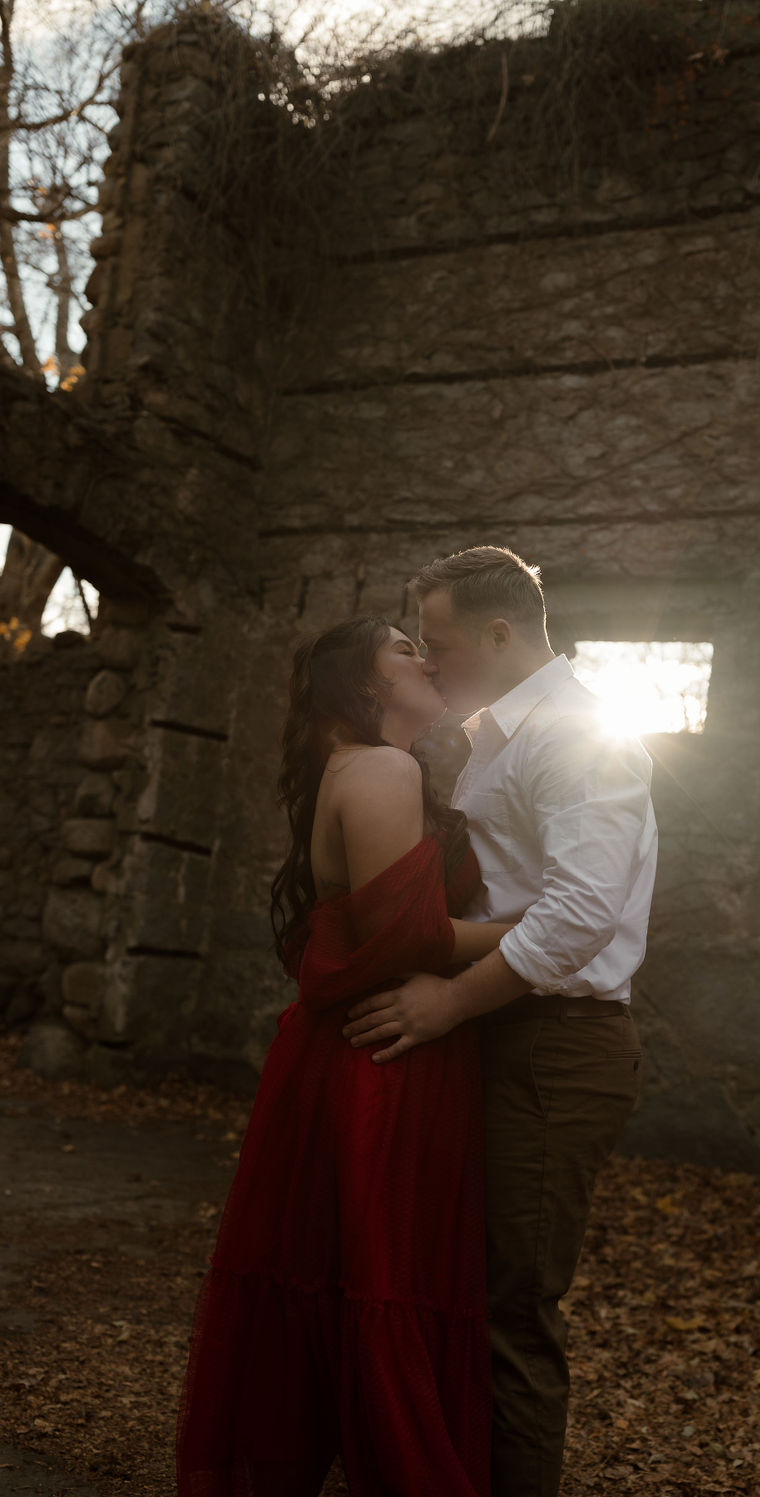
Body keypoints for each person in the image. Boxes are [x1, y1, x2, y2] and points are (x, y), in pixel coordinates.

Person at [176, 617, 516, 1497]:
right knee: (381, 1275)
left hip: (365, 1050)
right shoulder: (382, 767)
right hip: (386, 1056)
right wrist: (538, 931)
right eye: (405, 649)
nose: (427, 658)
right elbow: (406, 936)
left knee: (350, 1278)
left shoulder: (372, 767)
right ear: (361, 686)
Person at [343, 547, 657, 1497]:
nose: (430, 664)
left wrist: (446, 1000)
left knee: (510, 1315)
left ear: (499, 633)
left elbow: (579, 914)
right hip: (506, 1034)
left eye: (438, 644)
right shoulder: (500, 733)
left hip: (555, 1047)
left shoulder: (573, 733)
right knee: (462, 1291)